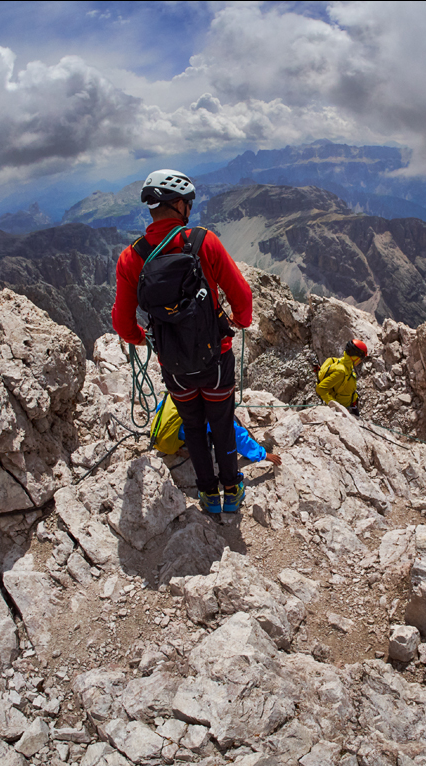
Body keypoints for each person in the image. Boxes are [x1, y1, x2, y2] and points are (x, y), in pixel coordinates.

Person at [112, 169, 253, 516]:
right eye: (187, 203)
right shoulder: (204, 241)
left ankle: (207, 496)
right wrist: (240, 321)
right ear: (178, 205)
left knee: (192, 424)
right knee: (221, 421)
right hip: (216, 359)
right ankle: (232, 492)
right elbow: (242, 296)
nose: (189, 208)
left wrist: (141, 341)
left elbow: (123, 322)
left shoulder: (131, 258)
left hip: (174, 366)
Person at [150, 393, 283, 467]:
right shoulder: (207, 407)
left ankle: (183, 447)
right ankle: (255, 448)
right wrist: (263, 455)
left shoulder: (180, 390)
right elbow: (232, 433)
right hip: (175, 442)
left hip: (159, 438)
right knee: (226, 422)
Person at [316, 339, 368, 415]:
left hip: (350, 405)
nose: (361, 361)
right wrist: (337, 408)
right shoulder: (341, 371)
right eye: (361, 358)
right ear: (354, 357)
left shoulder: (346, 364)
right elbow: (320, 389)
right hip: (342, 410)